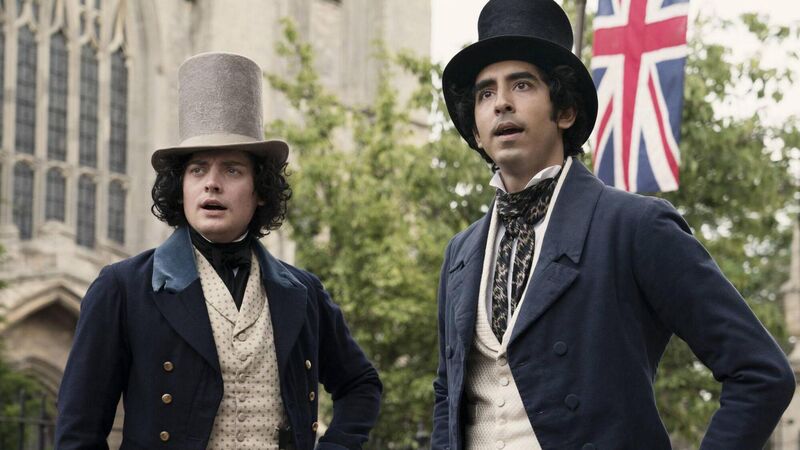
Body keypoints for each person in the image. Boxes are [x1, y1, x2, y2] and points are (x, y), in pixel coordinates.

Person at [431, 1, 794, 449]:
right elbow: (448, 396)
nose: (501, 102)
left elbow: (761, 372)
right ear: (476, 129)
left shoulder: (635, 226)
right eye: (485, 94)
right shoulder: (460, 252)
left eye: (522, 85)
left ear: (565, 111)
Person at [55, 52, 381, 450]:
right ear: (181, 188)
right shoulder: (123, 288)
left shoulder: (304, 292)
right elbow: (79, 432)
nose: (212, 183)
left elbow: (361, 384)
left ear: (260, 191)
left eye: (232, 169)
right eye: (198, 170)